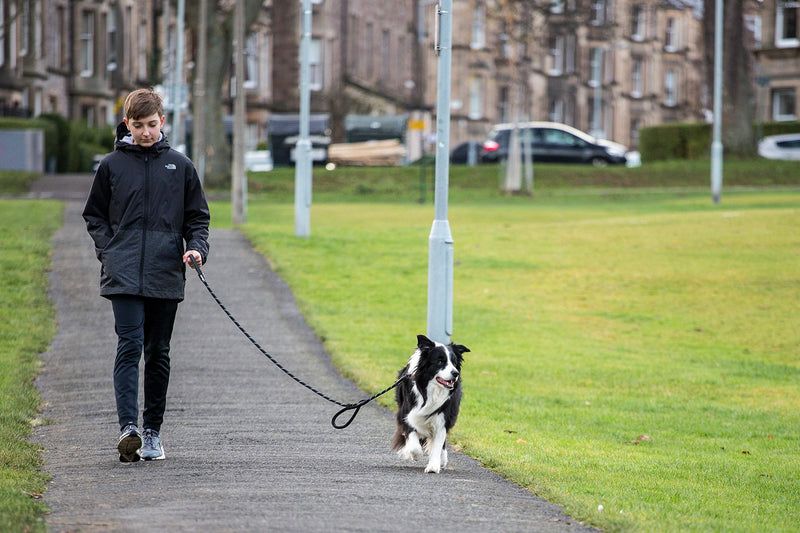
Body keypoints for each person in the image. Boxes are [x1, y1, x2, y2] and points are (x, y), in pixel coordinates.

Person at [83, 88, 210, 462]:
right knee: (129, 346)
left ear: (162, 122)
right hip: (122, 273)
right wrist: (109, 250)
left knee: (158, 352)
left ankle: (152, 430)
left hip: (165, 273)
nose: (145, 133)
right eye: (138, 126)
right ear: (127, 124)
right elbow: (94, 216)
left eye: (151, 125)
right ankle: (129, 429)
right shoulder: (111, 166)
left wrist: (196, 248)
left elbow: (198, 217)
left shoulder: (181, 166)